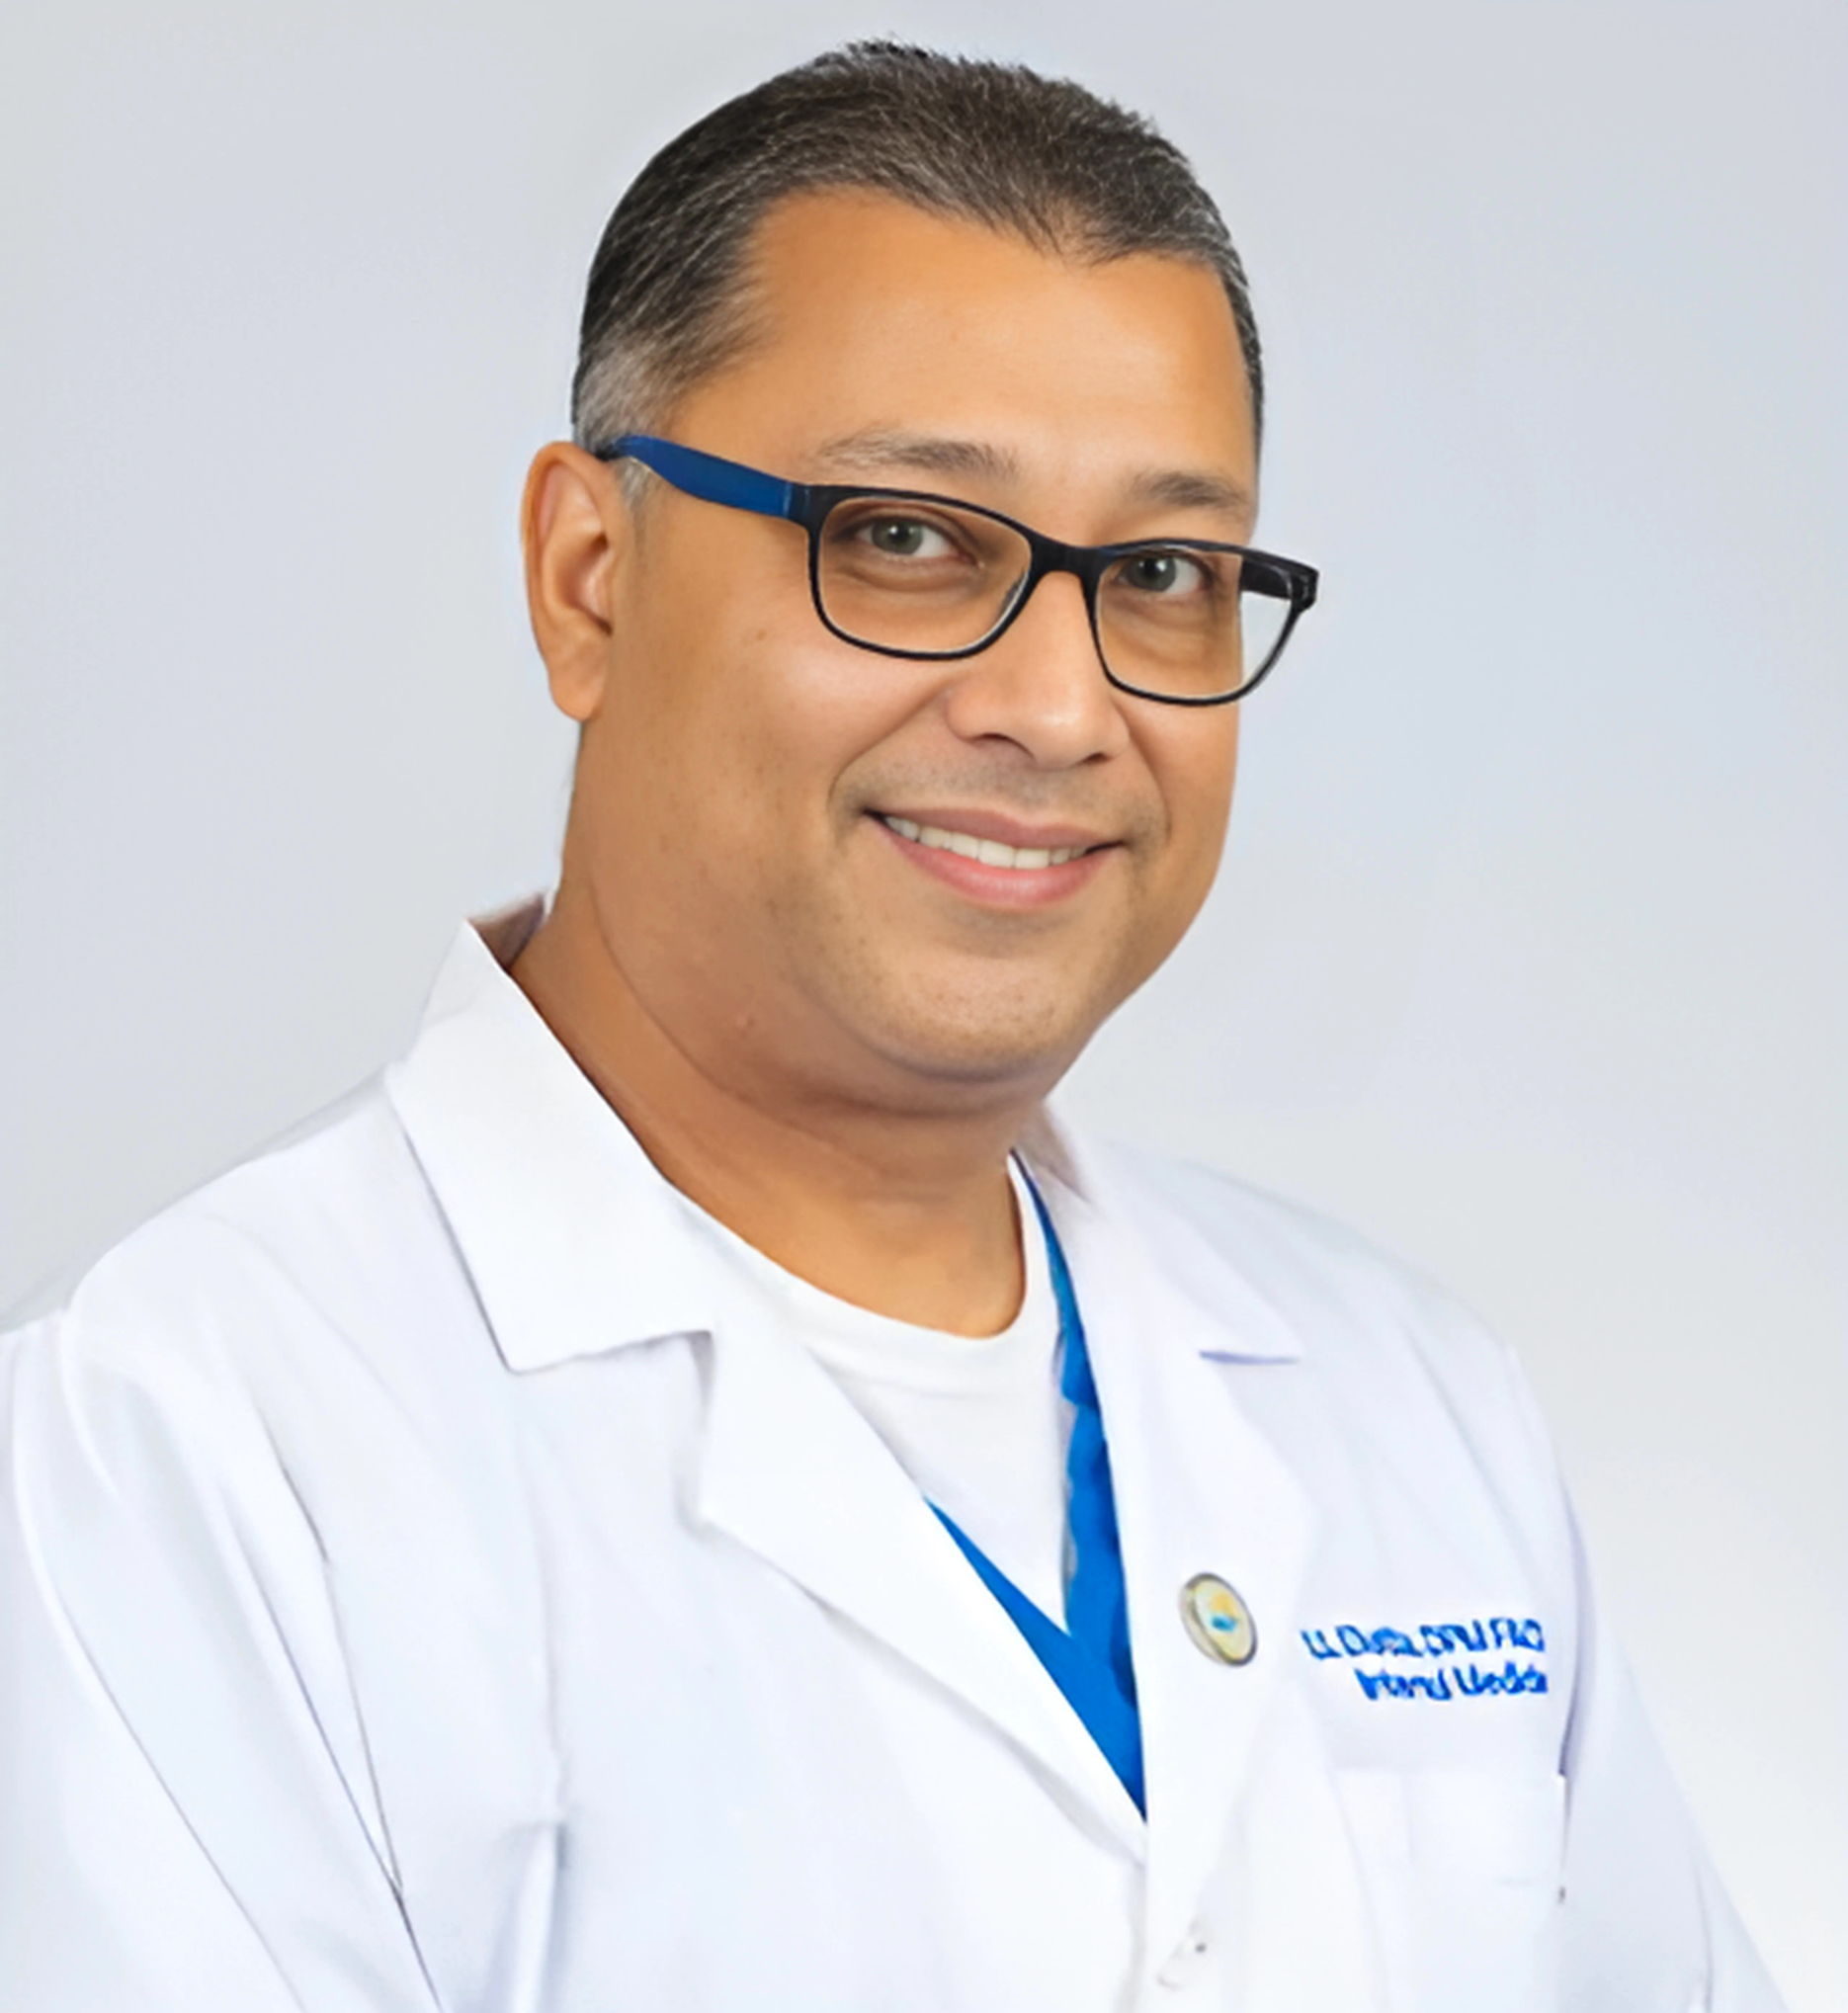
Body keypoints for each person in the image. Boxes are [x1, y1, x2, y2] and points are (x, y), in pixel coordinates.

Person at [0, 41, 1785, 2013]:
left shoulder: (1407, 1409)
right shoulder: (173, 1454)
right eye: (907, 540)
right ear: (586, 577)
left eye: (1166, 574)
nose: (1053, 704)